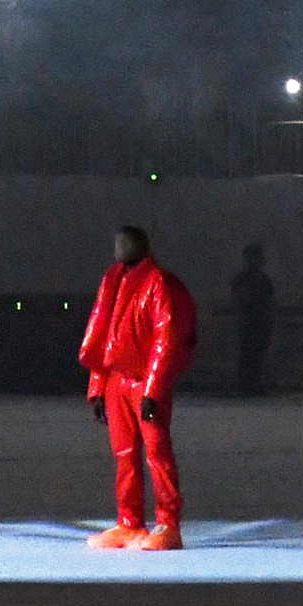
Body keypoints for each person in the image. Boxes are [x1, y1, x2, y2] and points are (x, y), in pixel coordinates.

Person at [79, 223, 196, 550]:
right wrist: (98, 385)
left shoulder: (158, 283)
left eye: (124, 243)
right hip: (118, 380)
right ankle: (128, 520)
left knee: (157, 452)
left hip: (145, 380)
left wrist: (154, 389)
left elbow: (166, 338)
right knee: (125, 455)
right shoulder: (113, 280)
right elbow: (105, 336)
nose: (118, 248)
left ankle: (168, 524)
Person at [230, 242, 276, 396]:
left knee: (251, 354)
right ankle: (250, 385)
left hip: (253, 321)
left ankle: (249, 385)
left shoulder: (247, 278)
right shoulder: (257, 279)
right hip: (254, 321)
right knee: (253, 354)